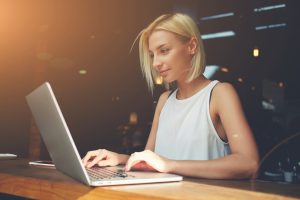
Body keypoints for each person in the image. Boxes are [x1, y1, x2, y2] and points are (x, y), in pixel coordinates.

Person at [82, 13, 259, 179]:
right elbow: (150, 160)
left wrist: (169, 165)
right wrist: (118, 158)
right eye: (152, 55)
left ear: (191, 46)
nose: (156, 63)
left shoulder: (220, 93)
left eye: (164, 50)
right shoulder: (164, 100)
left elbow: (248, 163)